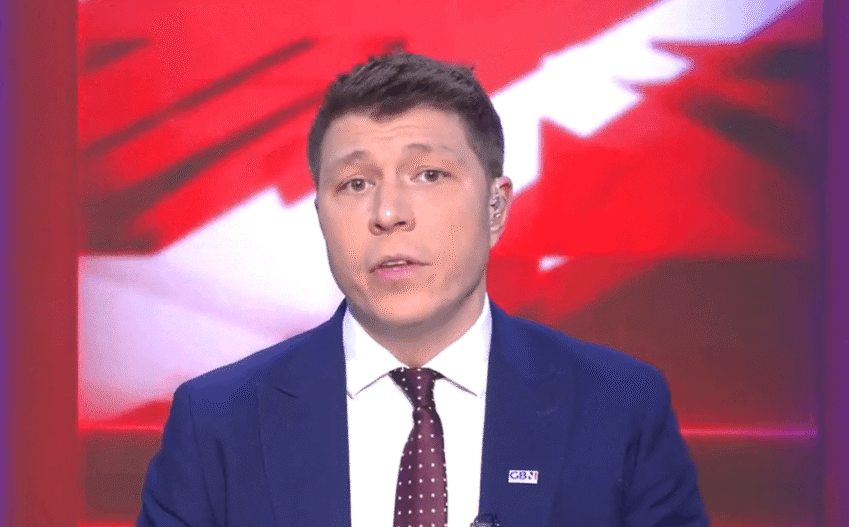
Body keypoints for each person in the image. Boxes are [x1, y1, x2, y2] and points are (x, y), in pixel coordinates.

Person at [137, 53, 709, 527]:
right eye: (354, 183)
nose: (388, 213)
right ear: (320, 217)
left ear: (495, 207)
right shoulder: (216, 423)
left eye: (429, 175)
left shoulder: (619, 409)